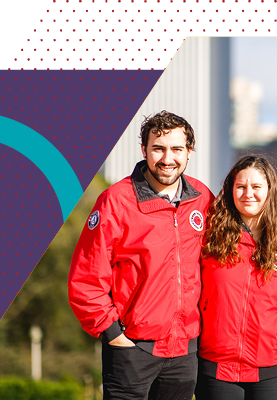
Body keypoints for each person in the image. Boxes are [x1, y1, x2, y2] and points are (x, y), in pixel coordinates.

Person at [68, 111, 211, 400]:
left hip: (185, 350)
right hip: (132, 348)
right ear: (144, 150)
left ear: (189, 152)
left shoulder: (203, 198)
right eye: (158, 148)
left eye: (177, 149)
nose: (167, 158)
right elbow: (86, 277)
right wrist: (112, 334)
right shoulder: (116, 201)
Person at [196, 155, 277, 400]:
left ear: (270, 190)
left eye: (257, 186)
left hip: (270, 368)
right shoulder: (210, 237)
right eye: (241, 186)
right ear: (231, 190)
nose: (248, 193)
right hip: (216, 367)